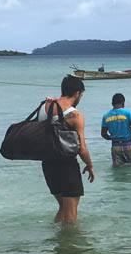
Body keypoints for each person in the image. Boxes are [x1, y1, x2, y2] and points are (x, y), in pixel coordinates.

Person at [41, 75, 95, 224]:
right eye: (81, 95)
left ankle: (57, 242)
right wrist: (90, 165)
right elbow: (82, 149)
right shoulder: (75, 115)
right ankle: (70, 246)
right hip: (66, 165)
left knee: (63, 208)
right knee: (71, 215)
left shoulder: (44, 106)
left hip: (47, 164)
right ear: (77, 93)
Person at [100, 92, 131, 167]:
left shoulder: (106, 116)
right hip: (128, 145)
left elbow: (103, 134)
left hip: (115, 148)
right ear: (123, 103)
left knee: (118, 171)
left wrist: (113, 138)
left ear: (112, 103)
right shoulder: (127, 112)